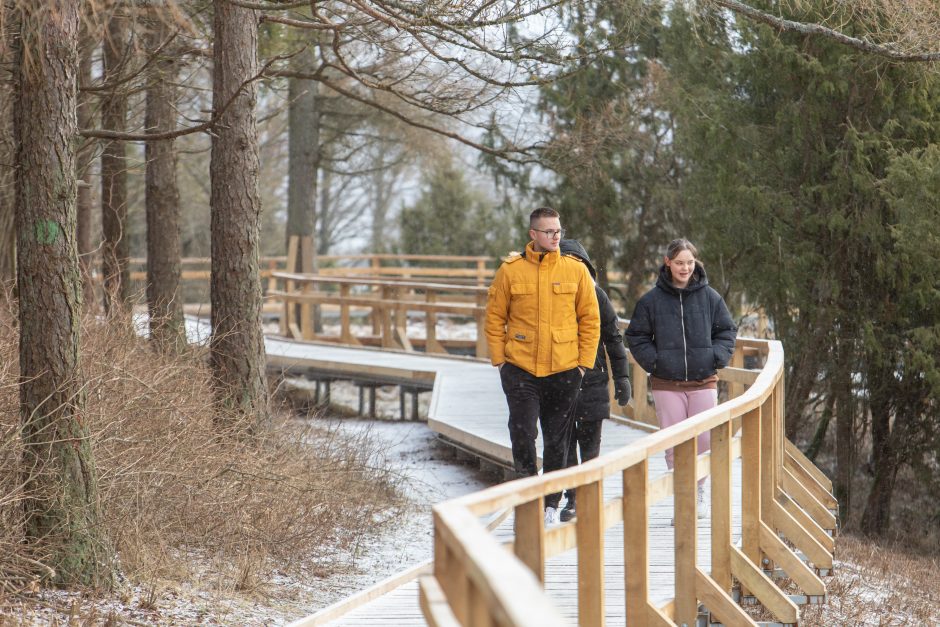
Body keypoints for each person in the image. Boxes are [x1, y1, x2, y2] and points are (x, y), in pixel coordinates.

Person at [485, 208, 600, 525]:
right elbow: (494, 319)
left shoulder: (575, 270)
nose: (555, 236)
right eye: (549, 231)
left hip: (564, 370)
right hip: (520, 369)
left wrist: (581, 366)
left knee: (557, 440)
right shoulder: (510, 271)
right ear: (533, 235)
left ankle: (551, 502)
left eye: (559, 231)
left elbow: (590, 321)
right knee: (522, 434)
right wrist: (501, 362)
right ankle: (527, 499)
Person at [625, 238, 737, 516]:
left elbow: (726, 331)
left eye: (689, 262)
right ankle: (683, 497)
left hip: (703, 380)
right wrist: (656, 361)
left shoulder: (710, 297)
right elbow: (636, 336)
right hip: (667, 384)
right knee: (674, 443)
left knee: (704, 441)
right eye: (679, 263)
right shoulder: (651, 301)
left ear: (695, 263)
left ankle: (698, 489)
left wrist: (715, 357)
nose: (685, 268)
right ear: (668, 263)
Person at [557, 239, 631, 523]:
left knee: (589, 443)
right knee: (563, 444)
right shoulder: (550, 295)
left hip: (593, 379)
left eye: (579, 264)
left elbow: (613, 337)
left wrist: (622, 377)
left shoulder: (597, 295)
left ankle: (587, 496)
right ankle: (572, 496)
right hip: (557, 381)